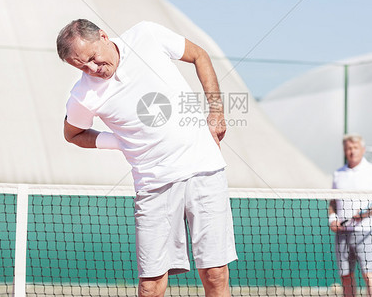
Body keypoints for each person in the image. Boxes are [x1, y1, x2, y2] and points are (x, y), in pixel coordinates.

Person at [56, 19, 237, 297]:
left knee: (215, 274)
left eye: (93, 58)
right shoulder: (82, 95)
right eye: (81, 66)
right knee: (150, 287)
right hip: (152, 187)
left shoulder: (147, 35)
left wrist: (216, 112)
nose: (92, 69)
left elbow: (199, 55)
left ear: (104, 36)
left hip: (204, 171)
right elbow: (73, 134)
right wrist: (117, 142)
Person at [328, 134, 372, 297]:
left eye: (355, 148)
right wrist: (333, 219)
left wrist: (365, 214)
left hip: (366, 232)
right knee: (346, 276)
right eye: (348, 148)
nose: (352, 151)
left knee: (369, 275)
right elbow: (332, 202)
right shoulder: (338, 174)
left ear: (362, 150)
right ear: (344, 150)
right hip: (342, 233)